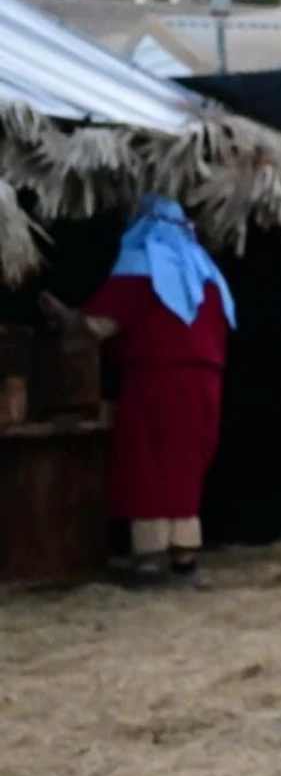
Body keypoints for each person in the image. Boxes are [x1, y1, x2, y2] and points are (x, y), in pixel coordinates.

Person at [39, 195, 233, 585]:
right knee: (184, 466)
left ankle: (151, 557)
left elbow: (98, 326)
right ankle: (185, 556)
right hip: (206, 384)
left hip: (157, 381)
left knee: (149, 464)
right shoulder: (207, 275)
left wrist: (67, 319)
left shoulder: (141, 266)